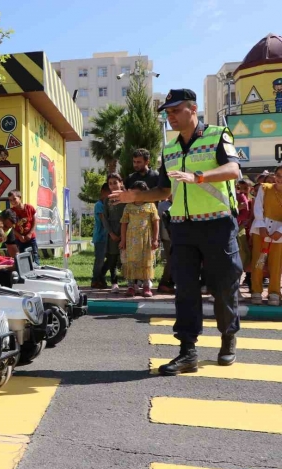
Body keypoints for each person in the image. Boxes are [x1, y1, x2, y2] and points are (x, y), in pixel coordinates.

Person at [109, 88, 243, 375]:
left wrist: (199, 177)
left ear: (192, 109)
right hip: (182, 227)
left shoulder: (218, 135)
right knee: (185, 290)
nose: (170, 116)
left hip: (217, 224)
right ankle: (187, 351)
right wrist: (135, 197)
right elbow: (165, 190)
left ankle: (228, 337)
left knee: (222, 287)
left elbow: (234, 170)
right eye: (167, 112)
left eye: (175, 110)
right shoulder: (169, 149)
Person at [248, 165, 282, 306]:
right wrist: (261, 225)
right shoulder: (264, 188)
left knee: (276, 264)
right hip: (261, 231)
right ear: (274, 176)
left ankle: (274, 292)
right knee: (259, 261)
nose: (280, 179)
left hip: (278, 233)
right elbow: (258, 207)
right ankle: (256, 291)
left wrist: (280, 231)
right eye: (279, 175)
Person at [119, 181, 160, 298]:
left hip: (146, 239)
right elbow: (123, 223)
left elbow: (156, 222)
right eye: (133, 193)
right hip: (131, 239)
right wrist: (123, 240)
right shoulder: (128, 207)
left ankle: (146, 286)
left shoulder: (151, 206)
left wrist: (155, 239)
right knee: (131, 261)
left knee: (146, 261)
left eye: (138, 193)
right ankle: (131, 286)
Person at [102, 173, 126, 293]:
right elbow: (105, 218)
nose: (113, 185)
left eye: (115, 182)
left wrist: (124, 234)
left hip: (127, 231)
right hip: (112, 232)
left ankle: (135, 283)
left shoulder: (127, 197)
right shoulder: (107, 200)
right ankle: (114, 283)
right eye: (110, 183)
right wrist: (111, 233)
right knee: (112, 258)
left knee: (129, 258)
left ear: (121, 183)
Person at [8, 190, 40, 265]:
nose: (13, 202)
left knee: (34, 254)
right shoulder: (11, 211)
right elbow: (10, 227)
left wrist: (30, 233)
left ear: (20, 198)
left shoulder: (29, 208)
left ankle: (37, 268)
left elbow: (35, 221)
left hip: (31, 238)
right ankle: (25, 269)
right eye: (10, 200)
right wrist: (19, 236)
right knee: (22, 255)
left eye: (14, 199)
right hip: (19, 239)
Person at [91, 184, 110, 289]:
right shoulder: (99, 205)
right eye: (108, 192)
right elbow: (103, 221)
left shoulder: (107, 204)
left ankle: (100, 277)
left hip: (107, 237)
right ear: (103, 192)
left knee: (110, 259)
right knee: (99, 260)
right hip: (100, 237)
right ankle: (95, 280)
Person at [156, 196, 175, 294]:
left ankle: (171, 282)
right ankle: (163, 283)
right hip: (167, 237)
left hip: (180, 237)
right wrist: (158, 238)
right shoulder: (162, 206)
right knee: (171, 260)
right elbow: (157, 221)